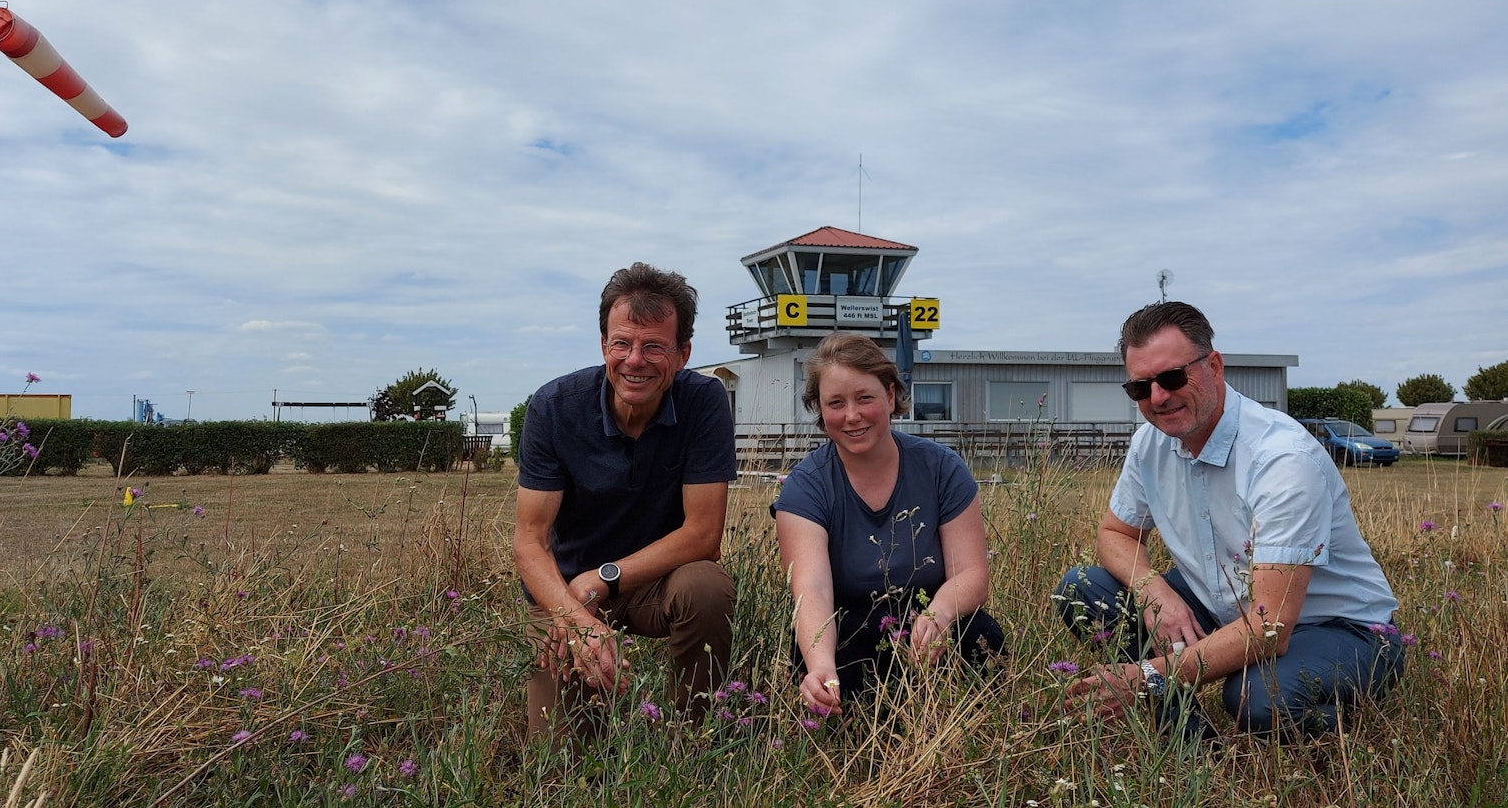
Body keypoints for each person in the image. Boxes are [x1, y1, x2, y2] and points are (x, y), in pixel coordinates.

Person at [1056, 301, 1404, 738]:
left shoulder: (1282, 459)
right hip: (1224, 604)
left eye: (1171, 377)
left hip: (1337, 628)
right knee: (1081, 588)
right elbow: (1115, 534)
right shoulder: (1151, 444)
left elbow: (1269, 626)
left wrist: (1147, 676)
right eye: (1140, 388)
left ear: (1214, 366)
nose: (1158, 397)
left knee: (1257, 698)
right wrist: (1153, 592)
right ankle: (1182, 733)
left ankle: (1345, 734)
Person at [512, 262, 738, 739]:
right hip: (567, 588)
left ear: (682, 354)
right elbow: (529, 542)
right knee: (557, 757)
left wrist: (604, 579)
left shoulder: (705, 402)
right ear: (603, 346)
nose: (635, 360)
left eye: (654, 346)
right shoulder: (554, 407)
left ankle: (696, 737)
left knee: (707, 586)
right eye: (622, 343)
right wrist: (574, 615)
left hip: (656, 581)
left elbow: (703, 534)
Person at [774, 332, 1004, 716]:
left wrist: (940, 613)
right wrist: (820, 666)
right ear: (820, 410)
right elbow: (810, 590)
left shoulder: (942, 468)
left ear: (891, 396)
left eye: (865, 398)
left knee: (983, 635)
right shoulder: (805, 486)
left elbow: (971, 573)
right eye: (836, 403)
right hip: (849, 630)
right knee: (831, 672)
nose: (852, 415)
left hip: (927, 628)